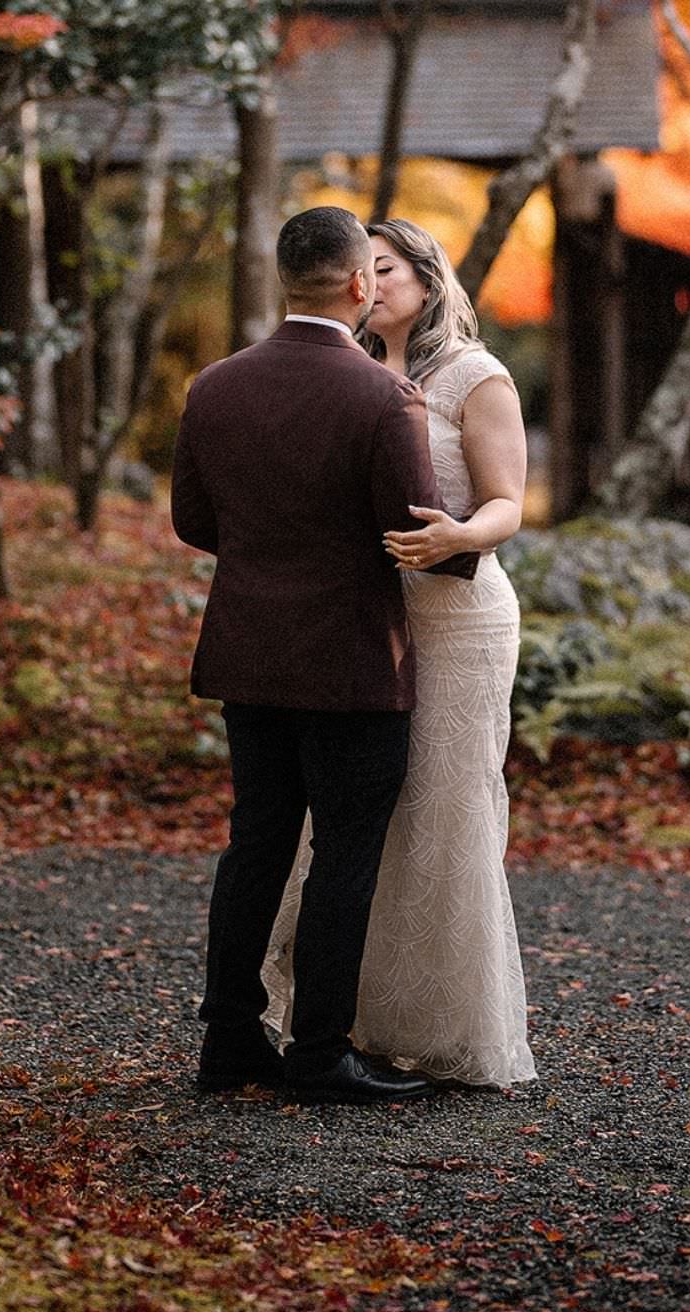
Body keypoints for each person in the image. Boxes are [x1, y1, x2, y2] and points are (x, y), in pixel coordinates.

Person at [170, 205, 478, 1104]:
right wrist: (473, 547)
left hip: (249, 654)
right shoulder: (386, 398)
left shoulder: (214, 386)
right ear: (356, 285)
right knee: (345, 850)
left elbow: (195, 523)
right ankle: (317, 1052)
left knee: (256, 844)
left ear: (281, 278)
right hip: (351, 658)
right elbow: (412, 529)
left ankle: (228, 1040)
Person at [264, 217, 536, 1088]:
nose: (372, 283)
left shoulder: (475, 377)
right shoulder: (342, 375)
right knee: (355, 818)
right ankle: (357, 1020)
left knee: (446, 807)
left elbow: (509, 503)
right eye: (362, 271)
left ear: (428, 274)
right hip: (365, 618)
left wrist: (462, 531)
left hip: (458, 616)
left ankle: (453, 1029)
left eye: (388, 268)